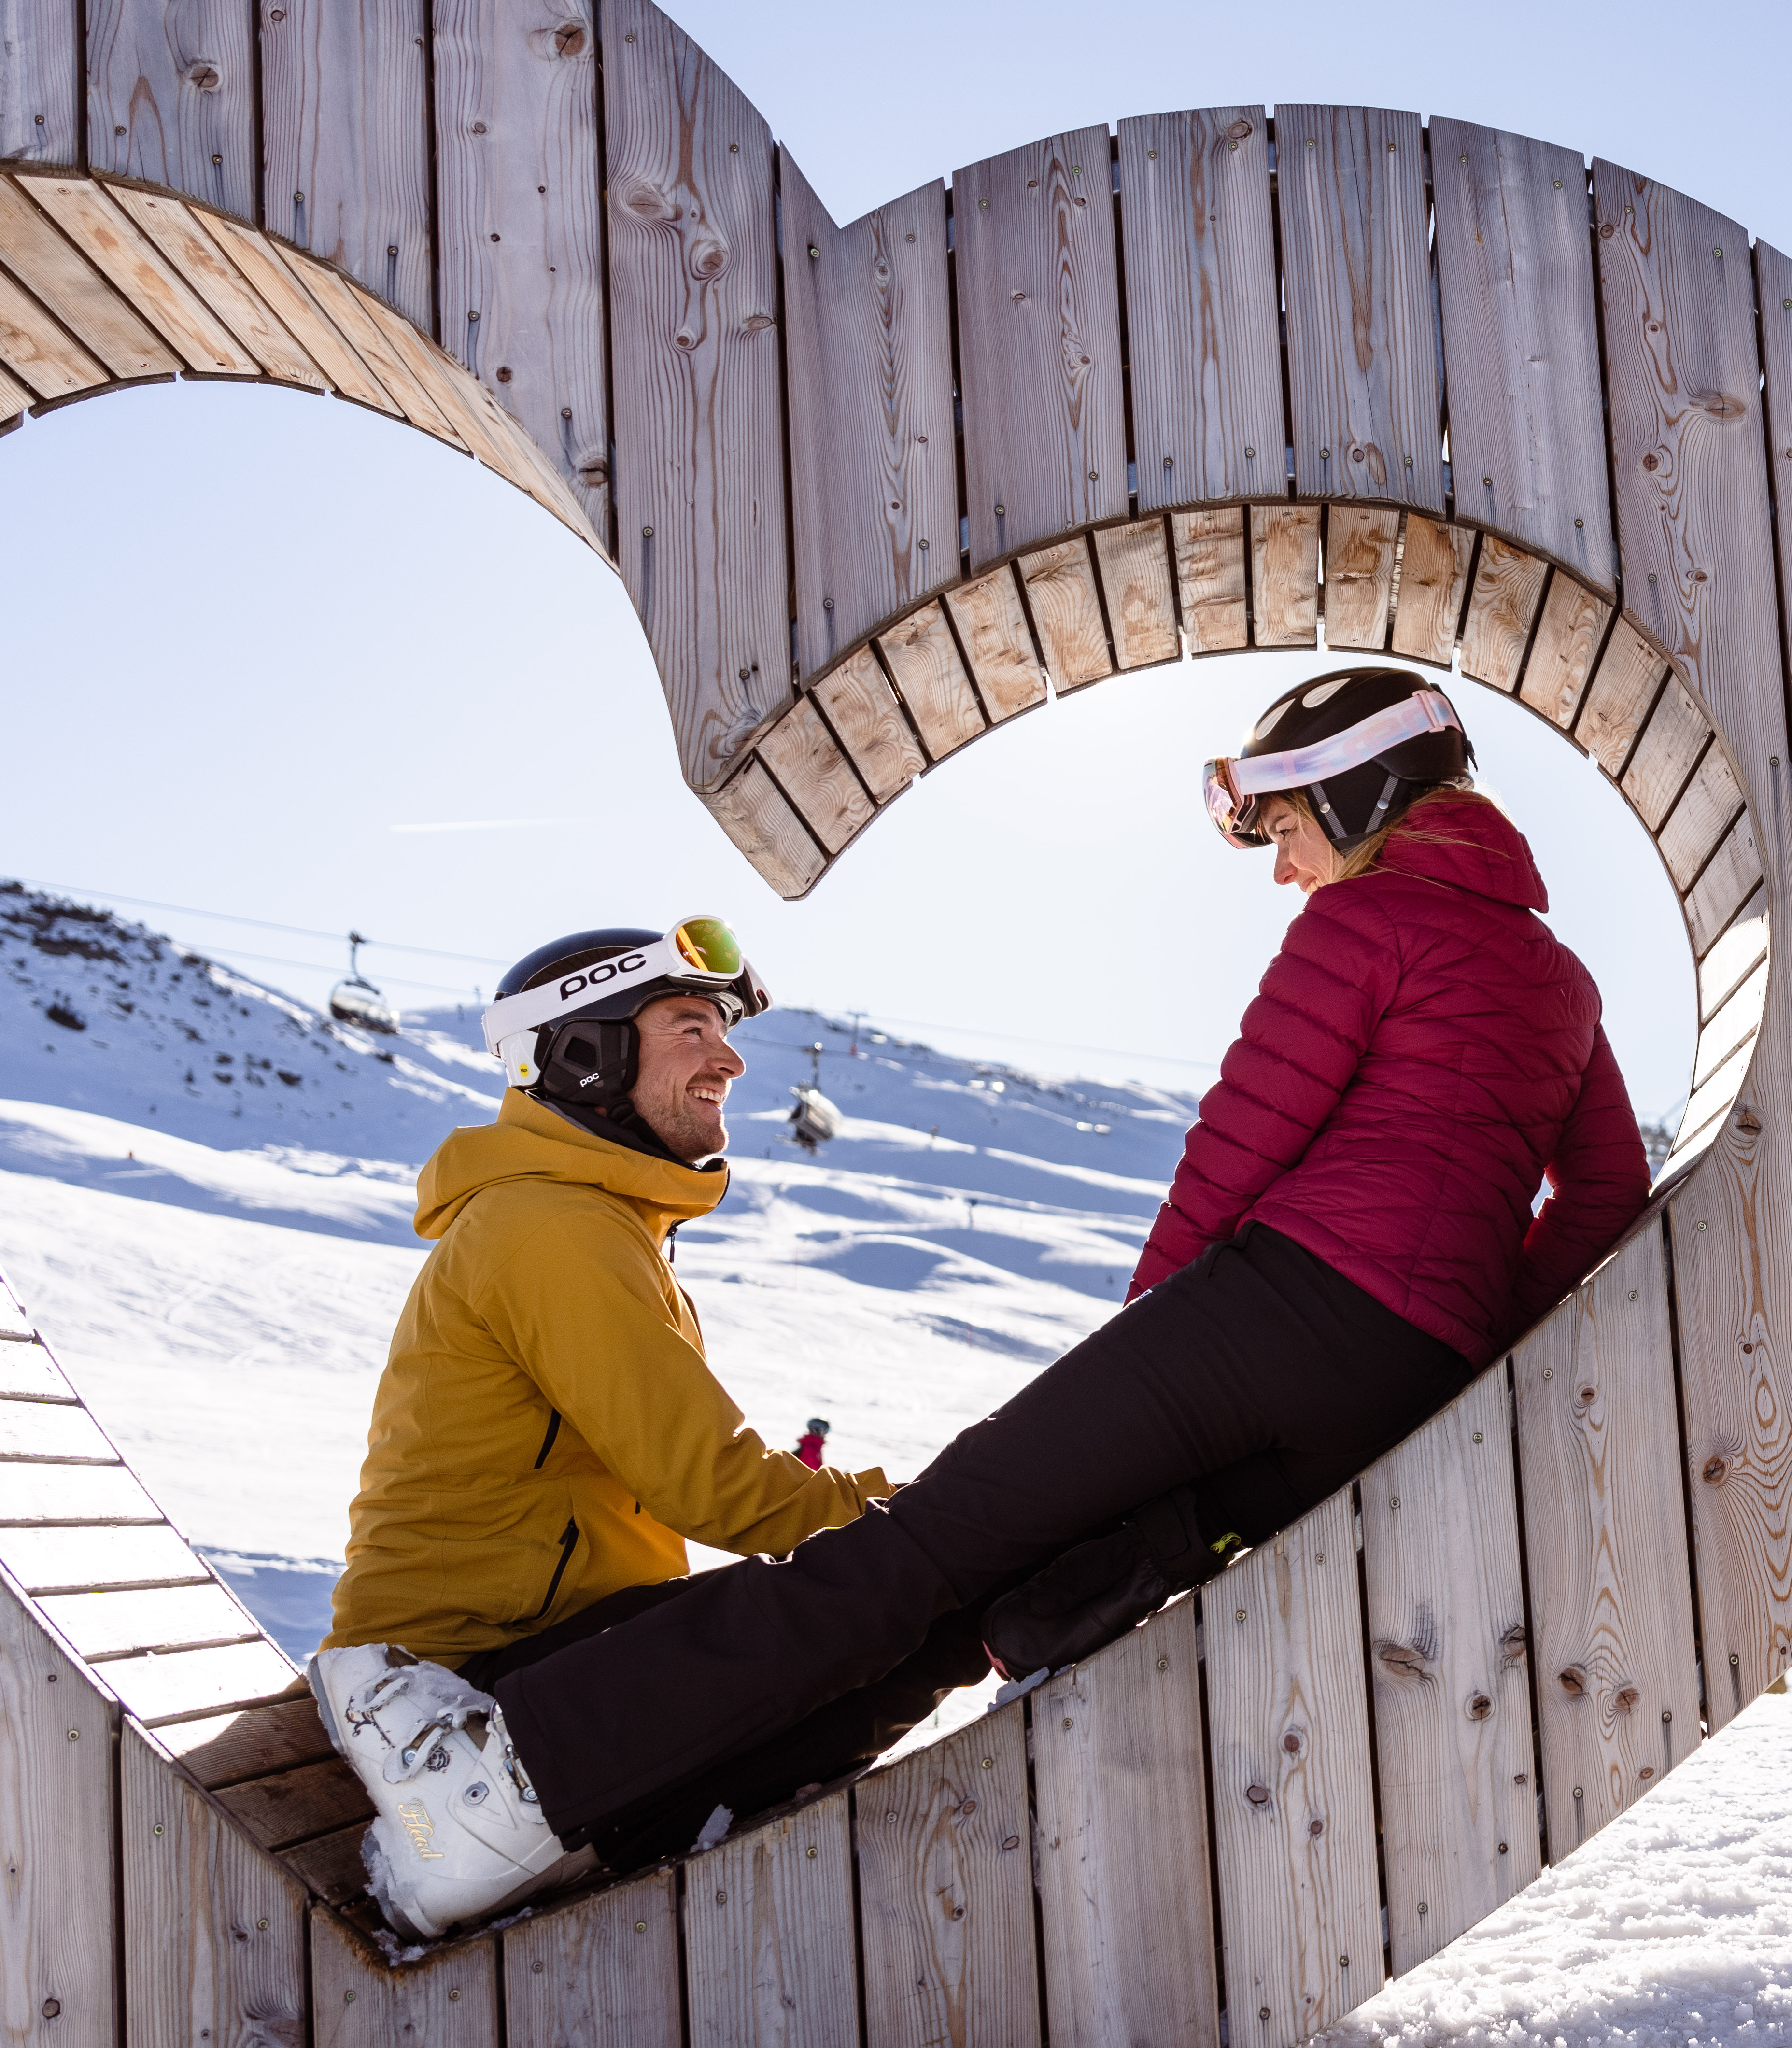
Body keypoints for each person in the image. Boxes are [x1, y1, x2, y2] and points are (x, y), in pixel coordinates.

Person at [321, 669, 1652, 1937]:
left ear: (1365, 796)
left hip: (1266, 1315)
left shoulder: (1365, 924)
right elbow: (1597, 1204)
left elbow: (1242, 1144)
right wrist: (1454, 1330)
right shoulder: (1565, 981)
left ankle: (522, 1791)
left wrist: (1154, 1351)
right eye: (696, 1032)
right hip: (1404, 1376)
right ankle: (676, 1809)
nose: (1285, 867)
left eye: (1290, 829)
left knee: (929, 1553)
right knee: (1037, 1580)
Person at [310, 919, 988, 1935]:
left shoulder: (599, 1223)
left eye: (723, 1028)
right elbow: (723, 1491)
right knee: (859, 1602)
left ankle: (626, 1843)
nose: (731, 1056)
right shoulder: (550, 1227)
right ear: (589, 1054)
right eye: (689, 1025)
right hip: (466, 1698)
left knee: (922, 1629)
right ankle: (485, 1823)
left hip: (553, 1670)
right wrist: (940, 1515)